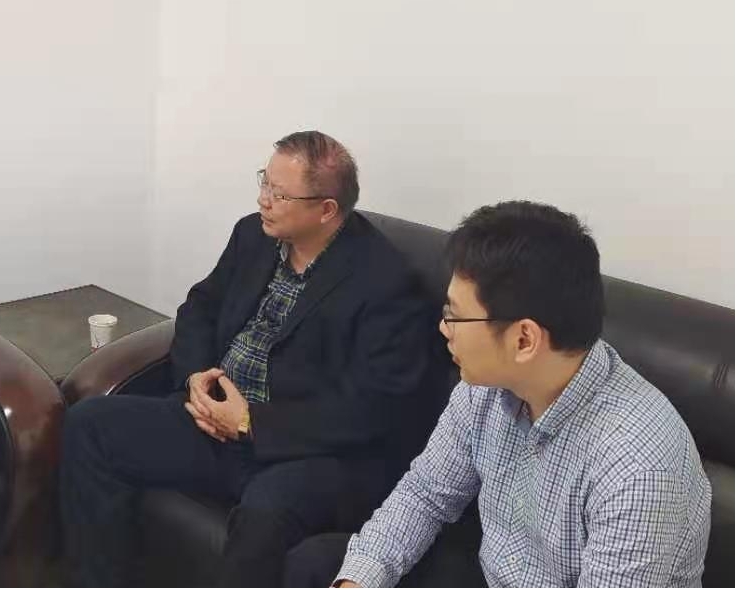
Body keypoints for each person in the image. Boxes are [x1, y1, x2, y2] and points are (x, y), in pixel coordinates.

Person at [61, 131, 449, 586]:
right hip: (214, 421)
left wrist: (251, 423)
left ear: (326, 209)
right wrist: (195, 377)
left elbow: (372, 406)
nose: (263, 200)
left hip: (303, 452)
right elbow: (201, 307)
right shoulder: (253, 235)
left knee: (266, 509)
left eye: (279, 194)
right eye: (265, 181)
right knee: (90, 425)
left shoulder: (384, 282)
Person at [286, 201, 711, 587]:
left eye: (455, 316)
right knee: (321, 565)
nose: (444, 328)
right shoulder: (486, 386)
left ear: (524, 339)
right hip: (492, 574)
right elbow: (426, 493)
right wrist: (358, 581)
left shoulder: (638, 471)